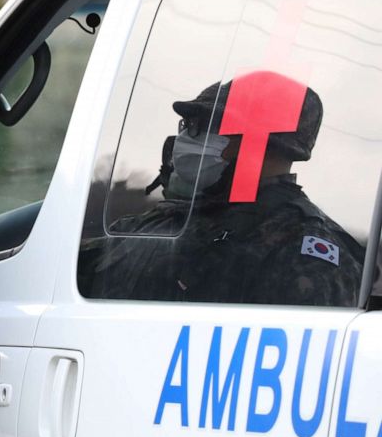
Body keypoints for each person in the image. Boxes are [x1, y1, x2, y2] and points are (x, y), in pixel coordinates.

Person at [79, 72, 364, 306]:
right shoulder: (162, 223)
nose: (185, 140)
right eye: (187, 125)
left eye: (203, 127)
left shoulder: (303, 254)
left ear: (257, 145)